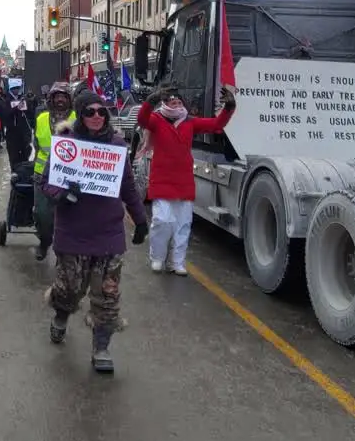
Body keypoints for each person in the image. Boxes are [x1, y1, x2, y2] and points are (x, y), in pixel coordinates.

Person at [41, 91, 149, 374]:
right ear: (80, 114)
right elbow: (47, 181)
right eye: (89, 112)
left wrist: (140, 220)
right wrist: (62, 193)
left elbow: (127, 185)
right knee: (69, 289)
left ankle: (101, 346)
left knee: (108, 295)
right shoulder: (67, 143)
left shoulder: (116, 145)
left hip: (108, 233)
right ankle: (61, 315)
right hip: (73, 232)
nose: (97, 116)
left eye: (101, 111)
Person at [137, 86, 236, 274]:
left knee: (183, 225)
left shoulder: (190, 122)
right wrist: (151, 100)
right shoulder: (156, 120)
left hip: (183, 182)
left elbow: (216, 124)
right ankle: (157, 256)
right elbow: (142, 119)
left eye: (179, 102)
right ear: (165, 104)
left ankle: (177, 262)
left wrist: (229, 107)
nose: (176, 104)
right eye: (172, 102)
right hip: (162, 180)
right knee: (162, 220)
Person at [32, 83, 75, 261]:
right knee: (42, 214)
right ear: (51, 99)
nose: (60, 100)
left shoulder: (77, 118)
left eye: (64, 96)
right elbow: (36, 144)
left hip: (68, 177)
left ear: (69, 99)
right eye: (56, 96)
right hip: (42, 175)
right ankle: (44, 242)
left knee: (66, 217)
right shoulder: (41, 118)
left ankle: (62, 252)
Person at [1, 80, 35, 166]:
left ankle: (23, 174)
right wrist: (16, 108)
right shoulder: (6, 100)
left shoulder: (23, 99)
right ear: (11, 89)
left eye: (18, 88)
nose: (16, 90)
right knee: (14, 157)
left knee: (25, 155)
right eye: (14, 88)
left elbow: (30, 113)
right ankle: (15, 174)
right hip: (12, 134)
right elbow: (5, 114)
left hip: (24, 133)